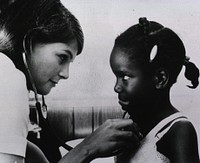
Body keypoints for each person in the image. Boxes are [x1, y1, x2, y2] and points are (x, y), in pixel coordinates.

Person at [0, 0, 142, 162]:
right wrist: (87, 149)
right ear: (29, 42)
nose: (66, 74)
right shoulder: (9, 79)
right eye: (62, 57)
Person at [110, 17, 200, 163]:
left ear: (160, 79)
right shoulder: (130, 118)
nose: (116, 87)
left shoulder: (179, 131)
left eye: (125, 77)